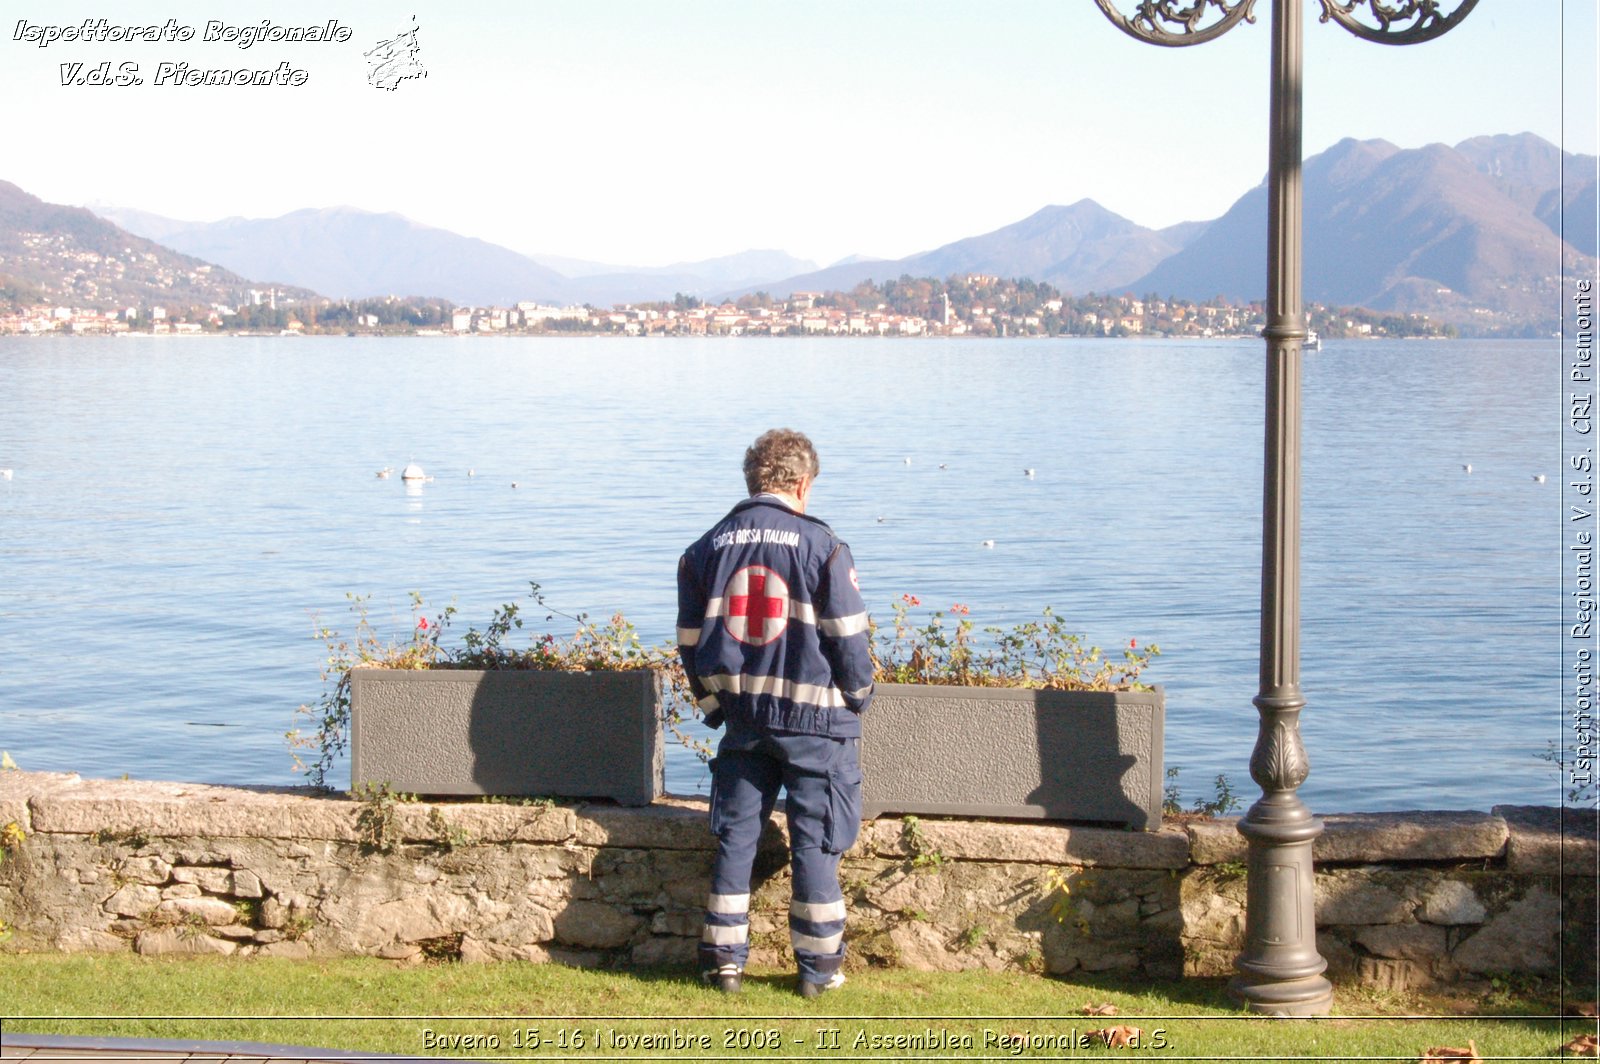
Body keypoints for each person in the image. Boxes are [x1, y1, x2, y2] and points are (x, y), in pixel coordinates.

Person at [676, 428, 874, 998]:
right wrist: (856, 698)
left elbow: (691, 643)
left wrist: (715, 705)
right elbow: (849, 642)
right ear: (802, 483)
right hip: (816, 725)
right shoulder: (823, 545)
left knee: (736, 839)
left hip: (744, 723)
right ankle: (818, 970)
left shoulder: (704, 548)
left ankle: (724, 963)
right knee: (817, 841)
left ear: (752, 480)